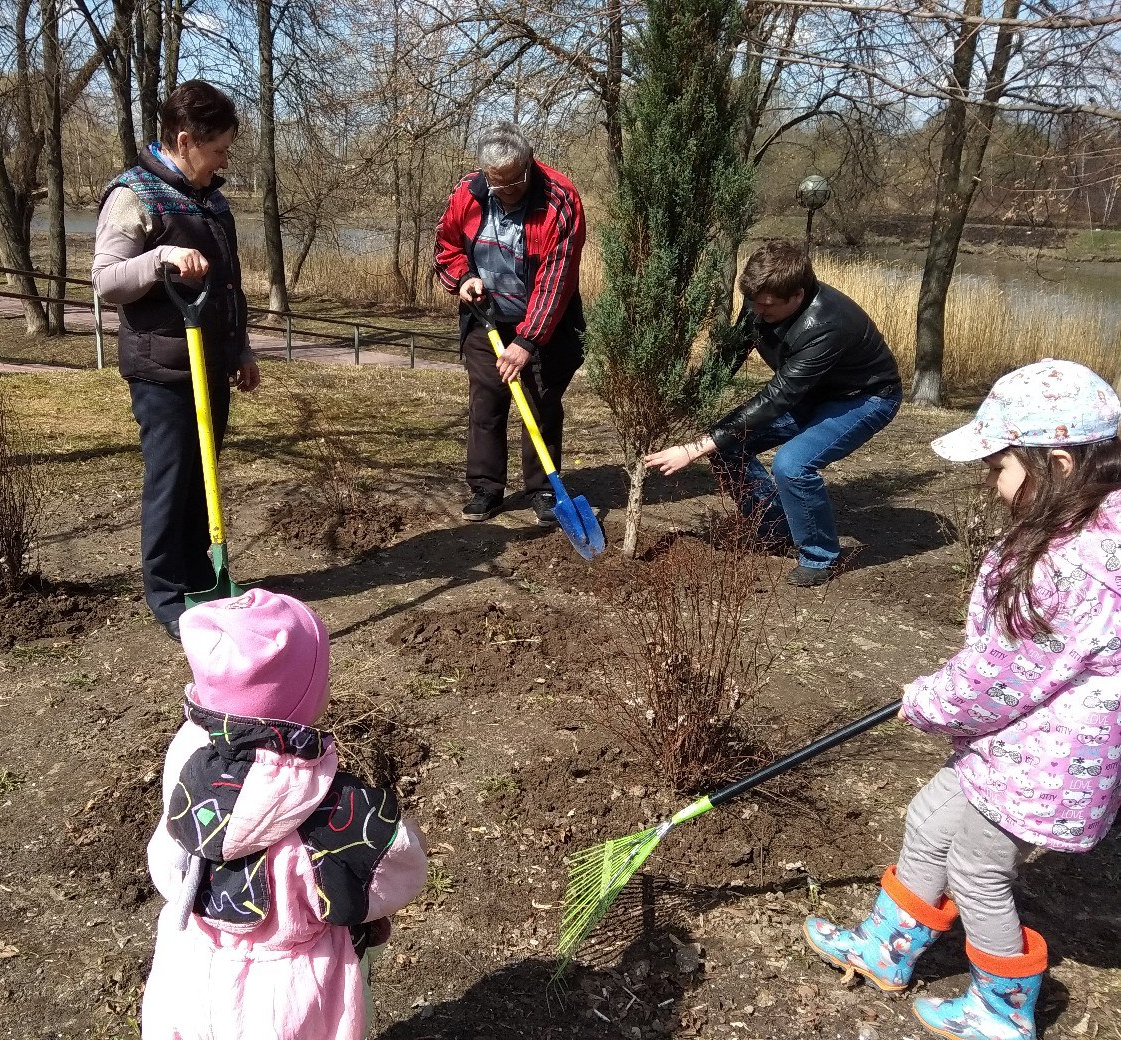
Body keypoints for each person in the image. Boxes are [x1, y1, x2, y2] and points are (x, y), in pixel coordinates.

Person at [802, 359, 1121, 1040]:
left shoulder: (1063, 564)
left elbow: (998, 680)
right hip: (1018, 742)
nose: (989, 481)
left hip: (1044, 761)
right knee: (928, 819)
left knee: (978, 870)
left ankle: (1001, 1012)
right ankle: (885, 948)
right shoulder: (1091, 524)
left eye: (999, 466)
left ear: (1058, 463)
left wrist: (926, 703)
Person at [142, 589, 430, 1040]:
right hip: (294, 993)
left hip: (194, 970)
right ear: (306, 700)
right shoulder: (338, 804)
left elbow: (167, 866)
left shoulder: (185, 763)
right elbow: (398, 871)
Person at [92, 80, 260, 641]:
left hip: (210, 361)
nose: (224, 161)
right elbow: (107, 282)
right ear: (185, 141)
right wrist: (161, 256)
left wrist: (241, 348)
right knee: (171, 476)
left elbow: (229, 285)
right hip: (161, 367)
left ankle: (198, 577)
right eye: (218, 151)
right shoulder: (133, 196)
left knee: (202, 477)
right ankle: (166, 593)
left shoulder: (212, 200)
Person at [644, 239, 901, 586]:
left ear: (797, 294)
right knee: (729, 444)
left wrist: (694, 448)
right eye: (753, 302)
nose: (757, 311)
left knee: (792, 465)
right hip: (811, 391)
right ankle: (773, 527)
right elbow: (731, 353)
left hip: (862, 398)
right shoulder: (761, 299)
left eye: (766, 306)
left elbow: (778, 397)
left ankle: (820, 556)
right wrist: (689, 396)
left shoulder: (828, 324)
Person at [433, 122, 587, 526]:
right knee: (486, 401)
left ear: (528, 166)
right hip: (486, 318)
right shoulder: (468, 193)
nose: (505, 193)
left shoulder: (559, 199)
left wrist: (528, 341)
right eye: (496, 185)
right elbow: (445, 246)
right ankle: (486, 488)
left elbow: (557, 280)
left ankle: (542, 491)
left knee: (539, 403)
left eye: (513, 184)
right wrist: (464, 278)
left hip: (544, 323)